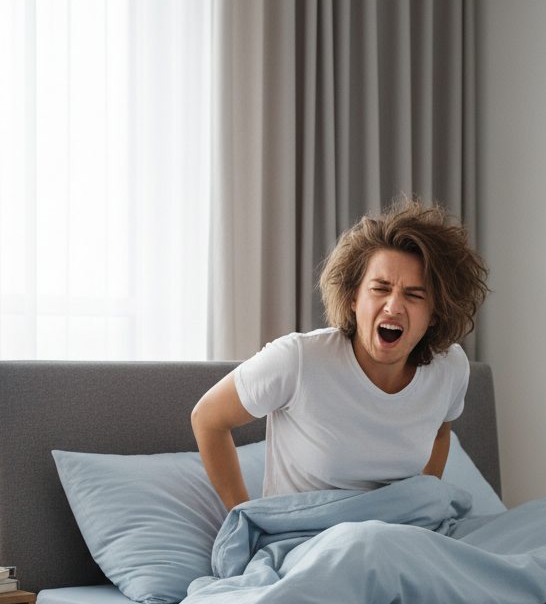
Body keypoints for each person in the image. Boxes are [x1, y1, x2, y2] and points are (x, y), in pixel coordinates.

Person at [191, 199, 490, 511]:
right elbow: (207, 418)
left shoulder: (450, 368)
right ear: (353, 298)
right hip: (309, 534)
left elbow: (440, 432)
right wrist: (245, 516)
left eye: (414, 295)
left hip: (399, 531)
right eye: (380, 289)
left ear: (435, 314)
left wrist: (423, 506)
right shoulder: (298, 360)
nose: (393, 307)